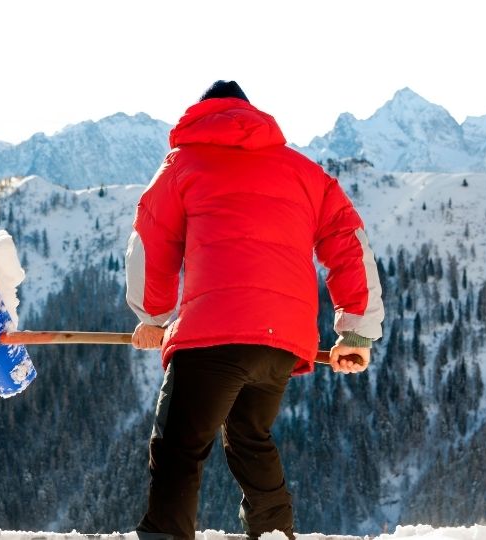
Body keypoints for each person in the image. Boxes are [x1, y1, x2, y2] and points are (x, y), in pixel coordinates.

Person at [124, 80, 384, 540]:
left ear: (201, 115)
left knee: (179, 445)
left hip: (212, 337)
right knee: (249, 435)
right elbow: (349, 246)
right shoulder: (306, 172)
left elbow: (151, 240)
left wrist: (153, 317)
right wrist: (357, 334)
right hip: (281, 341)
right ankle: (272, 532)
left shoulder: (182, 163)